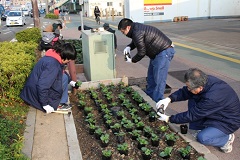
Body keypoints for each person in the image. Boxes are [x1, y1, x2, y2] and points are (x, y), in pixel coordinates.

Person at [156, 68, 240, 153]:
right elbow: (185, 92)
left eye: (189, 87)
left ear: (200, 87)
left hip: (228, 121)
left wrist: (169, 119)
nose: (188, 89)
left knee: (203, 138)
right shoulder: (204, 80)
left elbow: (193, 115)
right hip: (215, 112)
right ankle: (199, 128)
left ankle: (226, 139)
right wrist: (169, 99)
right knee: (193, 97)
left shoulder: (213, 97)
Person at [118, 18, 175, 102]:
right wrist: (129, 46)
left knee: (159, 78)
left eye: (123, 32)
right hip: (156, 53)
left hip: (164, 51)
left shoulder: (137, 32)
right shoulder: (136, 28)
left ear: (128, 27)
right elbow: (137, 41)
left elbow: (142, 52)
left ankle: (158, 102)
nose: (123, 34)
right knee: (151, 77)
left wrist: (132, 60)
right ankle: (149, 94)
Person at [20, 40, 79, 113]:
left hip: (34, 89)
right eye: (69, 59)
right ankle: (58, 104)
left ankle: (60, 102)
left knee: (64, 78)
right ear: (65, 56)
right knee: (60, 81)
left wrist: (71, 81)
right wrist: (45, 104)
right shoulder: (53, 65)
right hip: (35, 94)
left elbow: (61, 72)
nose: (69, 61)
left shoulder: (54, 56)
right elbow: (42, 85)